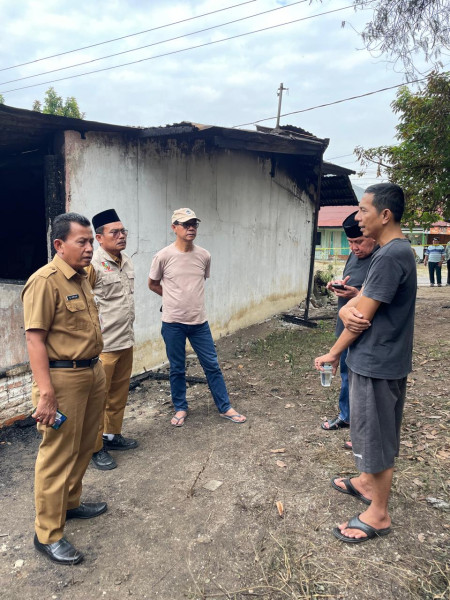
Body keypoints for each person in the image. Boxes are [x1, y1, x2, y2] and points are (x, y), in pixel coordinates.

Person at [314, 183, 417, 544]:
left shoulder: (390, 255)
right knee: (365, 427)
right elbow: (366, 303)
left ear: (385, 215)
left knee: (377, 433)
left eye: (363, 211)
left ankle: (379, 512)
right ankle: (365, 482)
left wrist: (332, 352)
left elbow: (360, 316)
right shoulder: (391, 253)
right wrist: (352, 303)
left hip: (378, 360)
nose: (359, 218)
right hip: (376, 357)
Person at [22, 213, 107, 565]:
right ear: (59, 245)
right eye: (82, 242)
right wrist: (46, 393)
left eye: (91, 241)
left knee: (86, 444)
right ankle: (47, 534)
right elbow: (34, 339)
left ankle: (69, 503)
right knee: (57, 455)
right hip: (62, 379)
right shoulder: (45, 281)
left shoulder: (84, 276)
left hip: (92, 371)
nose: (90, 248)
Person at [148, 208, 246, 427]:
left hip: (199, 322)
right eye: (186, 224)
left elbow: (197, 284)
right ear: (174, 228)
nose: (191, 228)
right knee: (177, 367)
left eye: (194, 224)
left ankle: (225, 407)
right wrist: (172, 298)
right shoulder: (163, 256)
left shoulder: (204, 255)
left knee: (211, 364)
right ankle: (180, 408)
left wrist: (184, 297)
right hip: (173, 322)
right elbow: (153, 284)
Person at [87, 209, 138, 471]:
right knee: (98, 399)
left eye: (123, 231)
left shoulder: (126, 259)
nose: (121, 236)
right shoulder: (92, 265)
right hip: (104, 346)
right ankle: (95, 447)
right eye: (114, 232)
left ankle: (112, 435)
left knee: (118, 395)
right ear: (99, 238)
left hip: (125, 340)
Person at [321, 211, 377, 439]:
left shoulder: (382, 258)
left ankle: (364, 429)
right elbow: (351, 282)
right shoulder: (355, 255)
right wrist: (336, 286)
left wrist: (358, 294)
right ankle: (346, 415)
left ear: (373, 236)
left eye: (359, 242)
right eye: (350, 242)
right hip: (345, 325)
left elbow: (375, 295)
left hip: (366, 330)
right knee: (345, 373)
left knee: (364, 381)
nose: (354, 248)